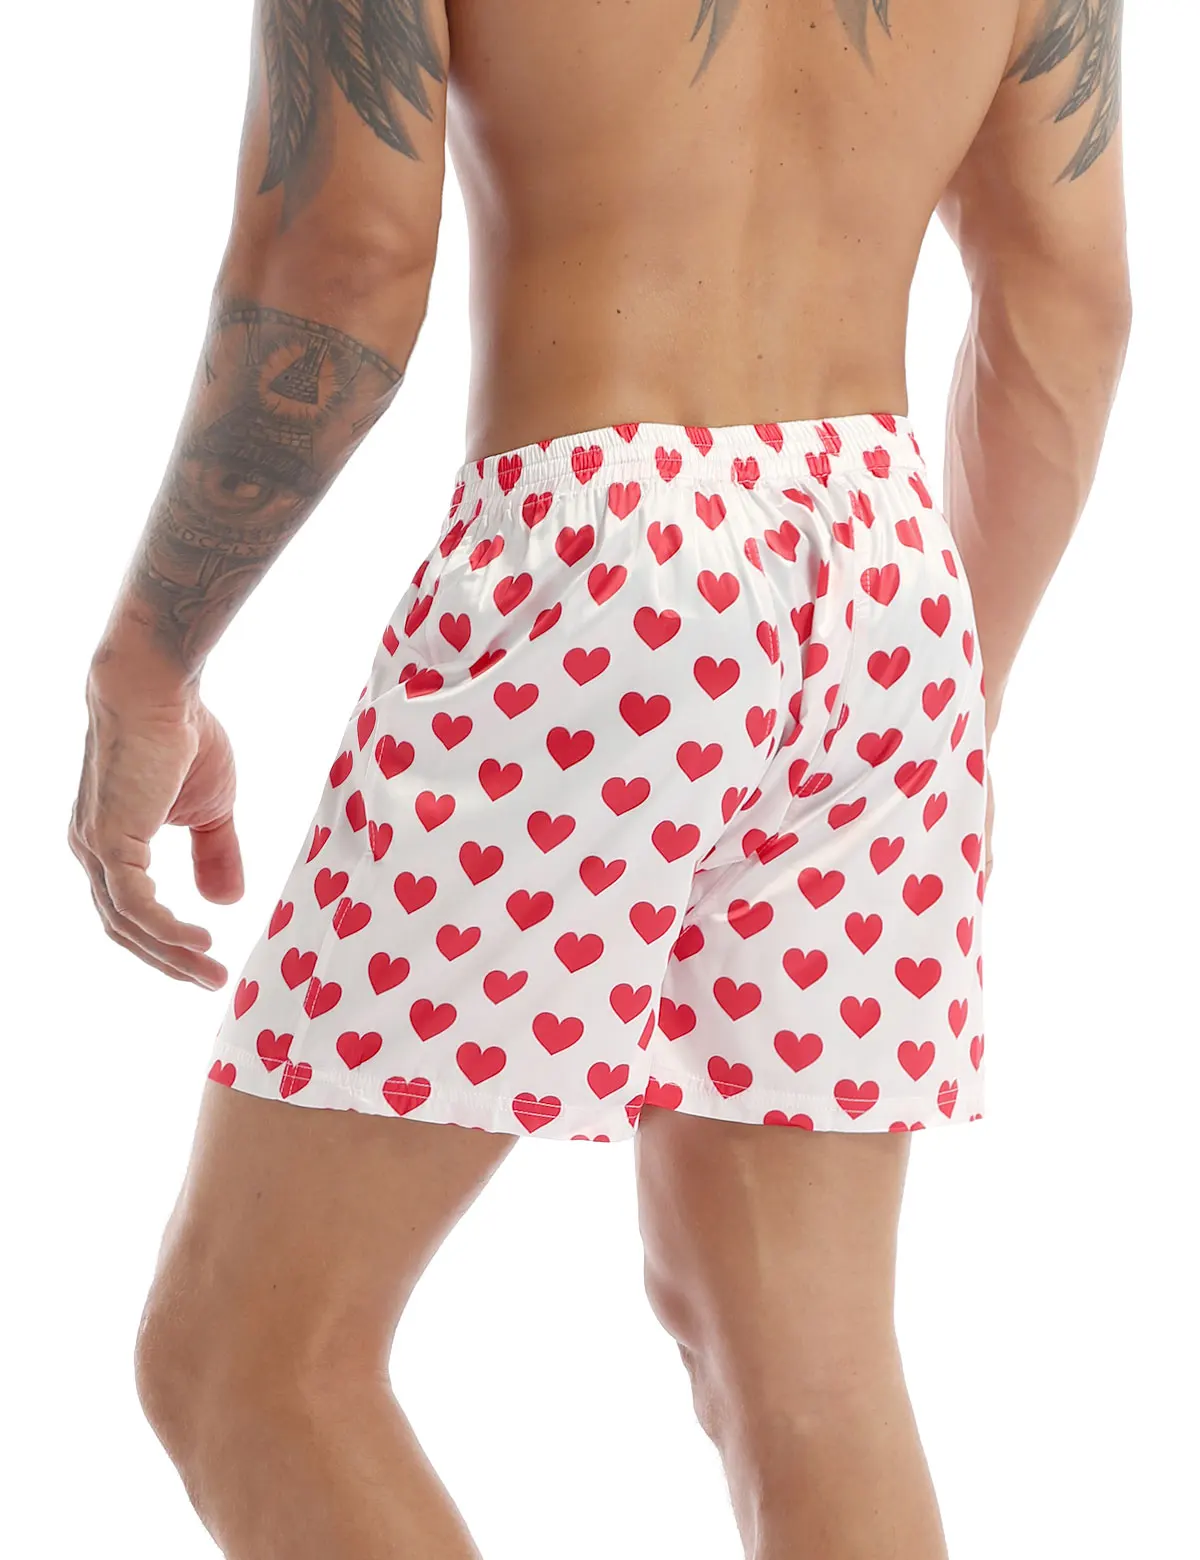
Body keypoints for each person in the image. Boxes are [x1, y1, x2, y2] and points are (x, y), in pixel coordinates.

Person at [69, 1, 1130, 1555]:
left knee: (248, 1356)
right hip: (888, 572)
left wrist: (150, 659)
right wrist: (950, 703)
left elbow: (345, 252)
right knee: (802, 1365)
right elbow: (1070, 294)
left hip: (603, 565)